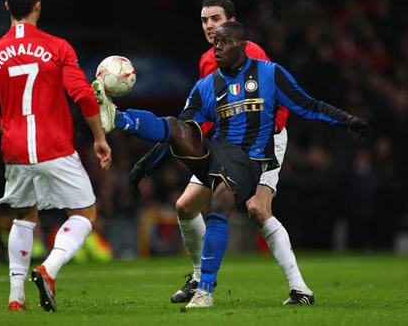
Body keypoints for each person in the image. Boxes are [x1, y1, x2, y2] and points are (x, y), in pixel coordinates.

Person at [94, 21, 370, 308]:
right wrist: (144, 167)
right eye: (215, 43)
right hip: (216, 153)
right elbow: (176, 135)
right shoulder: (205, 86)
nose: (217, 47)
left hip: (250, 160)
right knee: (178, 126)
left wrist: (348, 121)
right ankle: (118, 118)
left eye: (224, 42)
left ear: (241, 45)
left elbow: (310, 106)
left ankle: (205, 290)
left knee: (222, 199)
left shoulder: (270, 74)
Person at [129, 0, 310, 306]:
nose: (209, 25)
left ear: (231, 22)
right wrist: (150, 161)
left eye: (215, 18)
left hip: (263, 141)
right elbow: (194, 120)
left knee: (257, 209)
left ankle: (300, 289)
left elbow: (278, 108)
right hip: (225, 145)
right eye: (204, 20)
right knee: (185, 207)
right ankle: (199, 278)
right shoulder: (207, 60)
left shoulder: (253, 56)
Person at [0, 0, 112, 312]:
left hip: (16, 150)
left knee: (24, 217)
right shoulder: (57, 47)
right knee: (85, 213)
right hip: (54, 146)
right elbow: (82, 94)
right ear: (38, 6)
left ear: (7, 7)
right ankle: (48, 269)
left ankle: (15, 296)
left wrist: (8, 130)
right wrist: (98, 137)